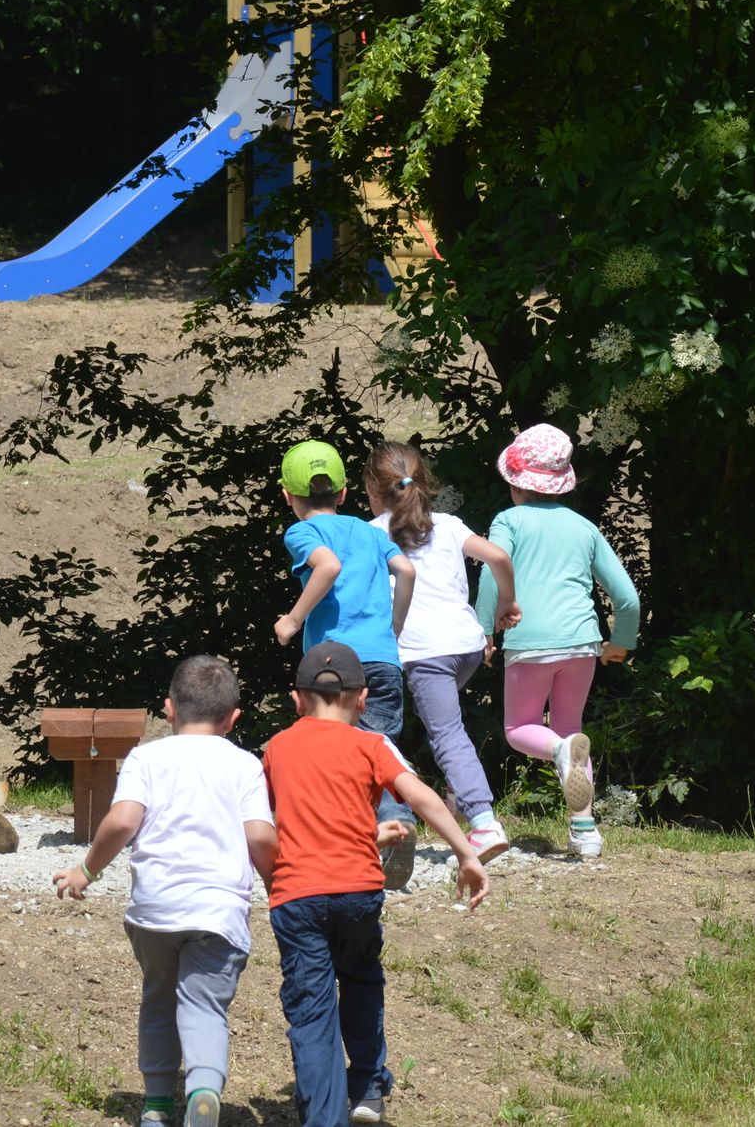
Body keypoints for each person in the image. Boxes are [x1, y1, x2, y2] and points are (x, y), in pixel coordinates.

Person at [263, 642, 489, 1127]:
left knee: (311, 1009)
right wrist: (466, 853)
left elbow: (275, 822)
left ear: (296, 699)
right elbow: (422, 798)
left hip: (297, 896)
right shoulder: (372, 744)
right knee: (362, 979)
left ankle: (324, 1118)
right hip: (357, 891)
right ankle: (366, 1086)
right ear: (363, 699)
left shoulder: (276, 748)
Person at [54, 655, 275, 1127]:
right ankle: (202, 1087)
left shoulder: (146, 757)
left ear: (169, 710)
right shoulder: (245, 765)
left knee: (158, 998)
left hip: (156, 909)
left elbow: (122, 820)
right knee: (204, 1004)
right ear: (234, 718)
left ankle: (156, 1105)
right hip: (219, 910)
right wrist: (280, 886)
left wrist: (85, 871)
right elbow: (259, 836)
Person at [472, 424, 639, 859]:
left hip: (529, 641)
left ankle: (562, 751)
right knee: (570, 728)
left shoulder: (508, 520)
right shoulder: (583, 527)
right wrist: (620, 642)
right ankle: (585, 832)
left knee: (518, 729)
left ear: (514, 482)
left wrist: (484, 630)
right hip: (582, 643)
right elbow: (627, 597)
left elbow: (494, 572)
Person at [362, 441, 522, 864]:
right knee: (448, 724)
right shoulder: (449, 524)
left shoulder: (372, 534)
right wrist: (506, 602)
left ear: (371, 490)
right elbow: (499, 557)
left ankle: (484, 825)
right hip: (467, 647)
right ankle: (455, 794)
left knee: (446, 734)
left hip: (425, 653)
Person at [274, 440, 419, 887]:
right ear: (341, 493)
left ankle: (338, 839)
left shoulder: (301, 533)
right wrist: (393, 628)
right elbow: (408, 572)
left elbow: (328, 567)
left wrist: (292, 620)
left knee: (332, 754)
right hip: (381, 659)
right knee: (378, 747)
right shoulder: (373, 532)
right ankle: (394, 823)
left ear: (286, 494)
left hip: (332, 662)